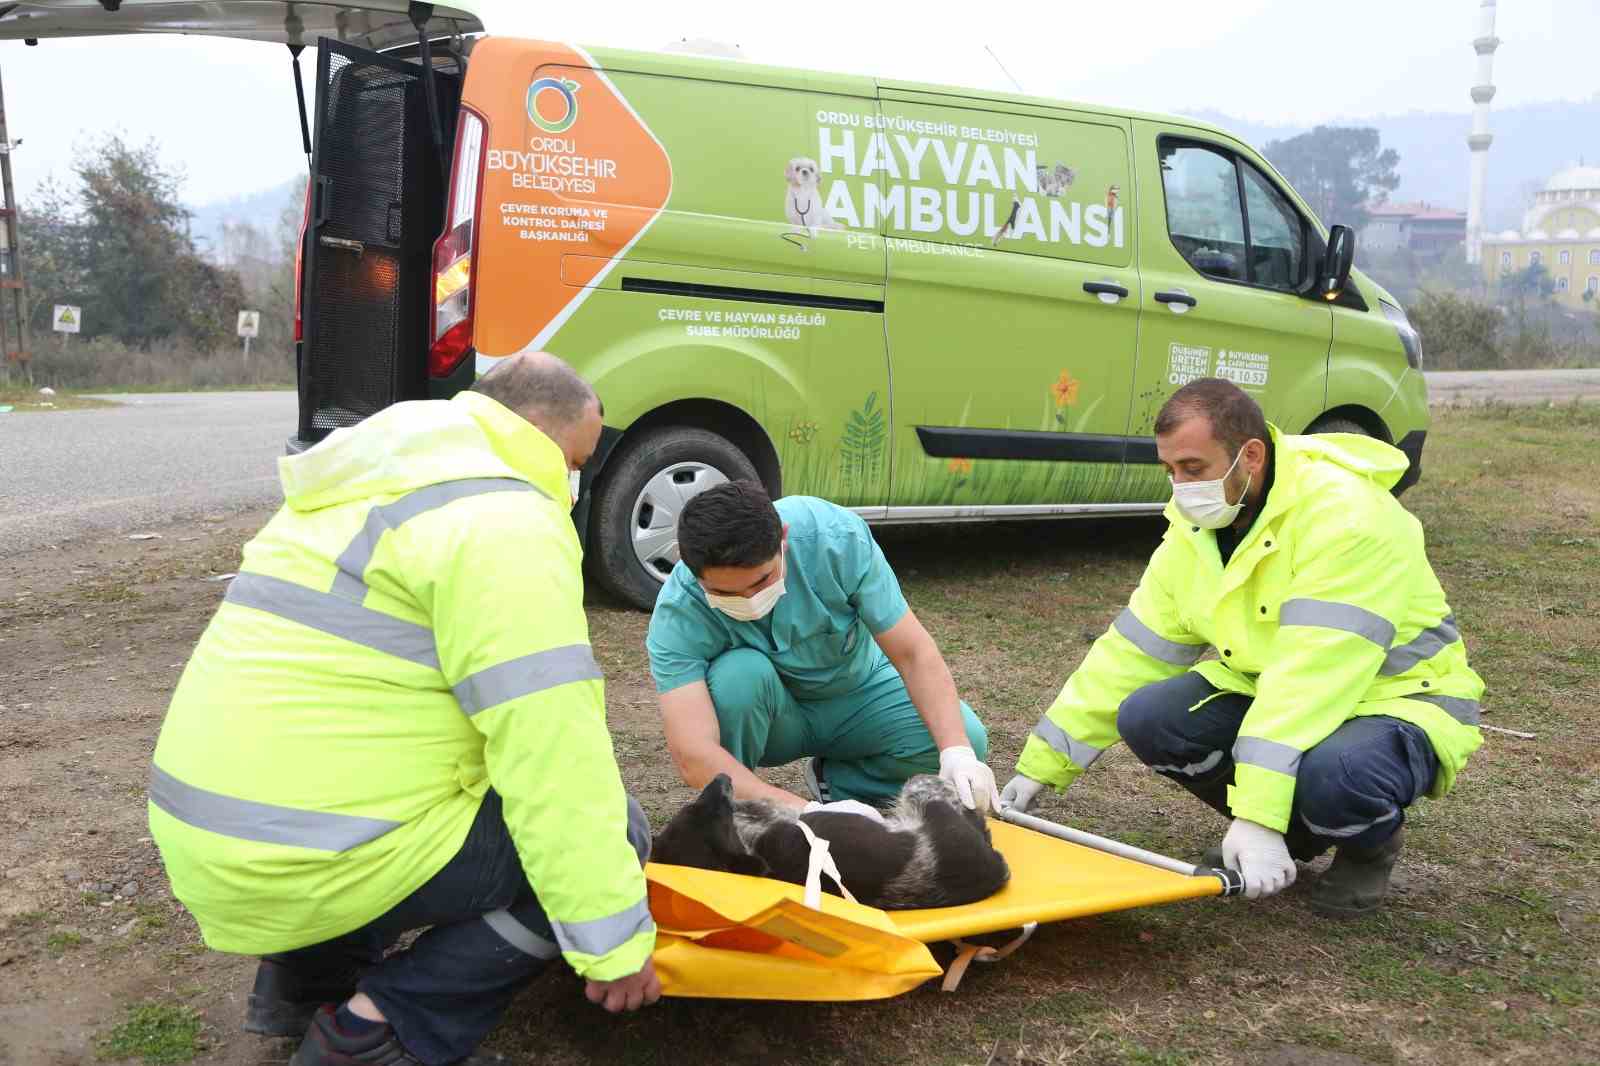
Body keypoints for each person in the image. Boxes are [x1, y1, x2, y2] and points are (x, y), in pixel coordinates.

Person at [147, 352, 659, 1066]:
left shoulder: (371, 481)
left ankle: (304, 985)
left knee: (388, 775)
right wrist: (614, 946)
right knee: (617, 833)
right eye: (577, 462)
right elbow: (553, 759)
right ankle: (378, 1032)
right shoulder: (504, 519)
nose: (573, 483)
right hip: (312, 854)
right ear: (544, 439)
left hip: (214, 838)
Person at [1000, 378, 1484, 914]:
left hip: (1397, 700)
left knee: (1336, 773)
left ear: (1250, 455)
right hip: (1275, 689)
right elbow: (1131, 652)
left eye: (1194, 468)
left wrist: (1255, 815)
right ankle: (1297, 837)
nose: (1181, 487)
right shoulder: (1198, 530)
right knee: (1149, 715)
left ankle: (1367, 849)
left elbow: (1311, 678)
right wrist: (1038, 768)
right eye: (1170, 471)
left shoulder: (1349, 518)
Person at [647, 480, 1000, 818]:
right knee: (738, 676)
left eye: (761, 581)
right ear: (690, 569)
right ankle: (740, 813)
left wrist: (956, 752)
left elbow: (913, 653)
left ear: (783, 539)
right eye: (726, 594)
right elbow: (693, 752)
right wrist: (803, 812)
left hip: (858, 693)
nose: (751, 600)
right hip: (773, 719)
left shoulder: (835, 538)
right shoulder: (678, 611)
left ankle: (842, 784)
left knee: (966, 736)